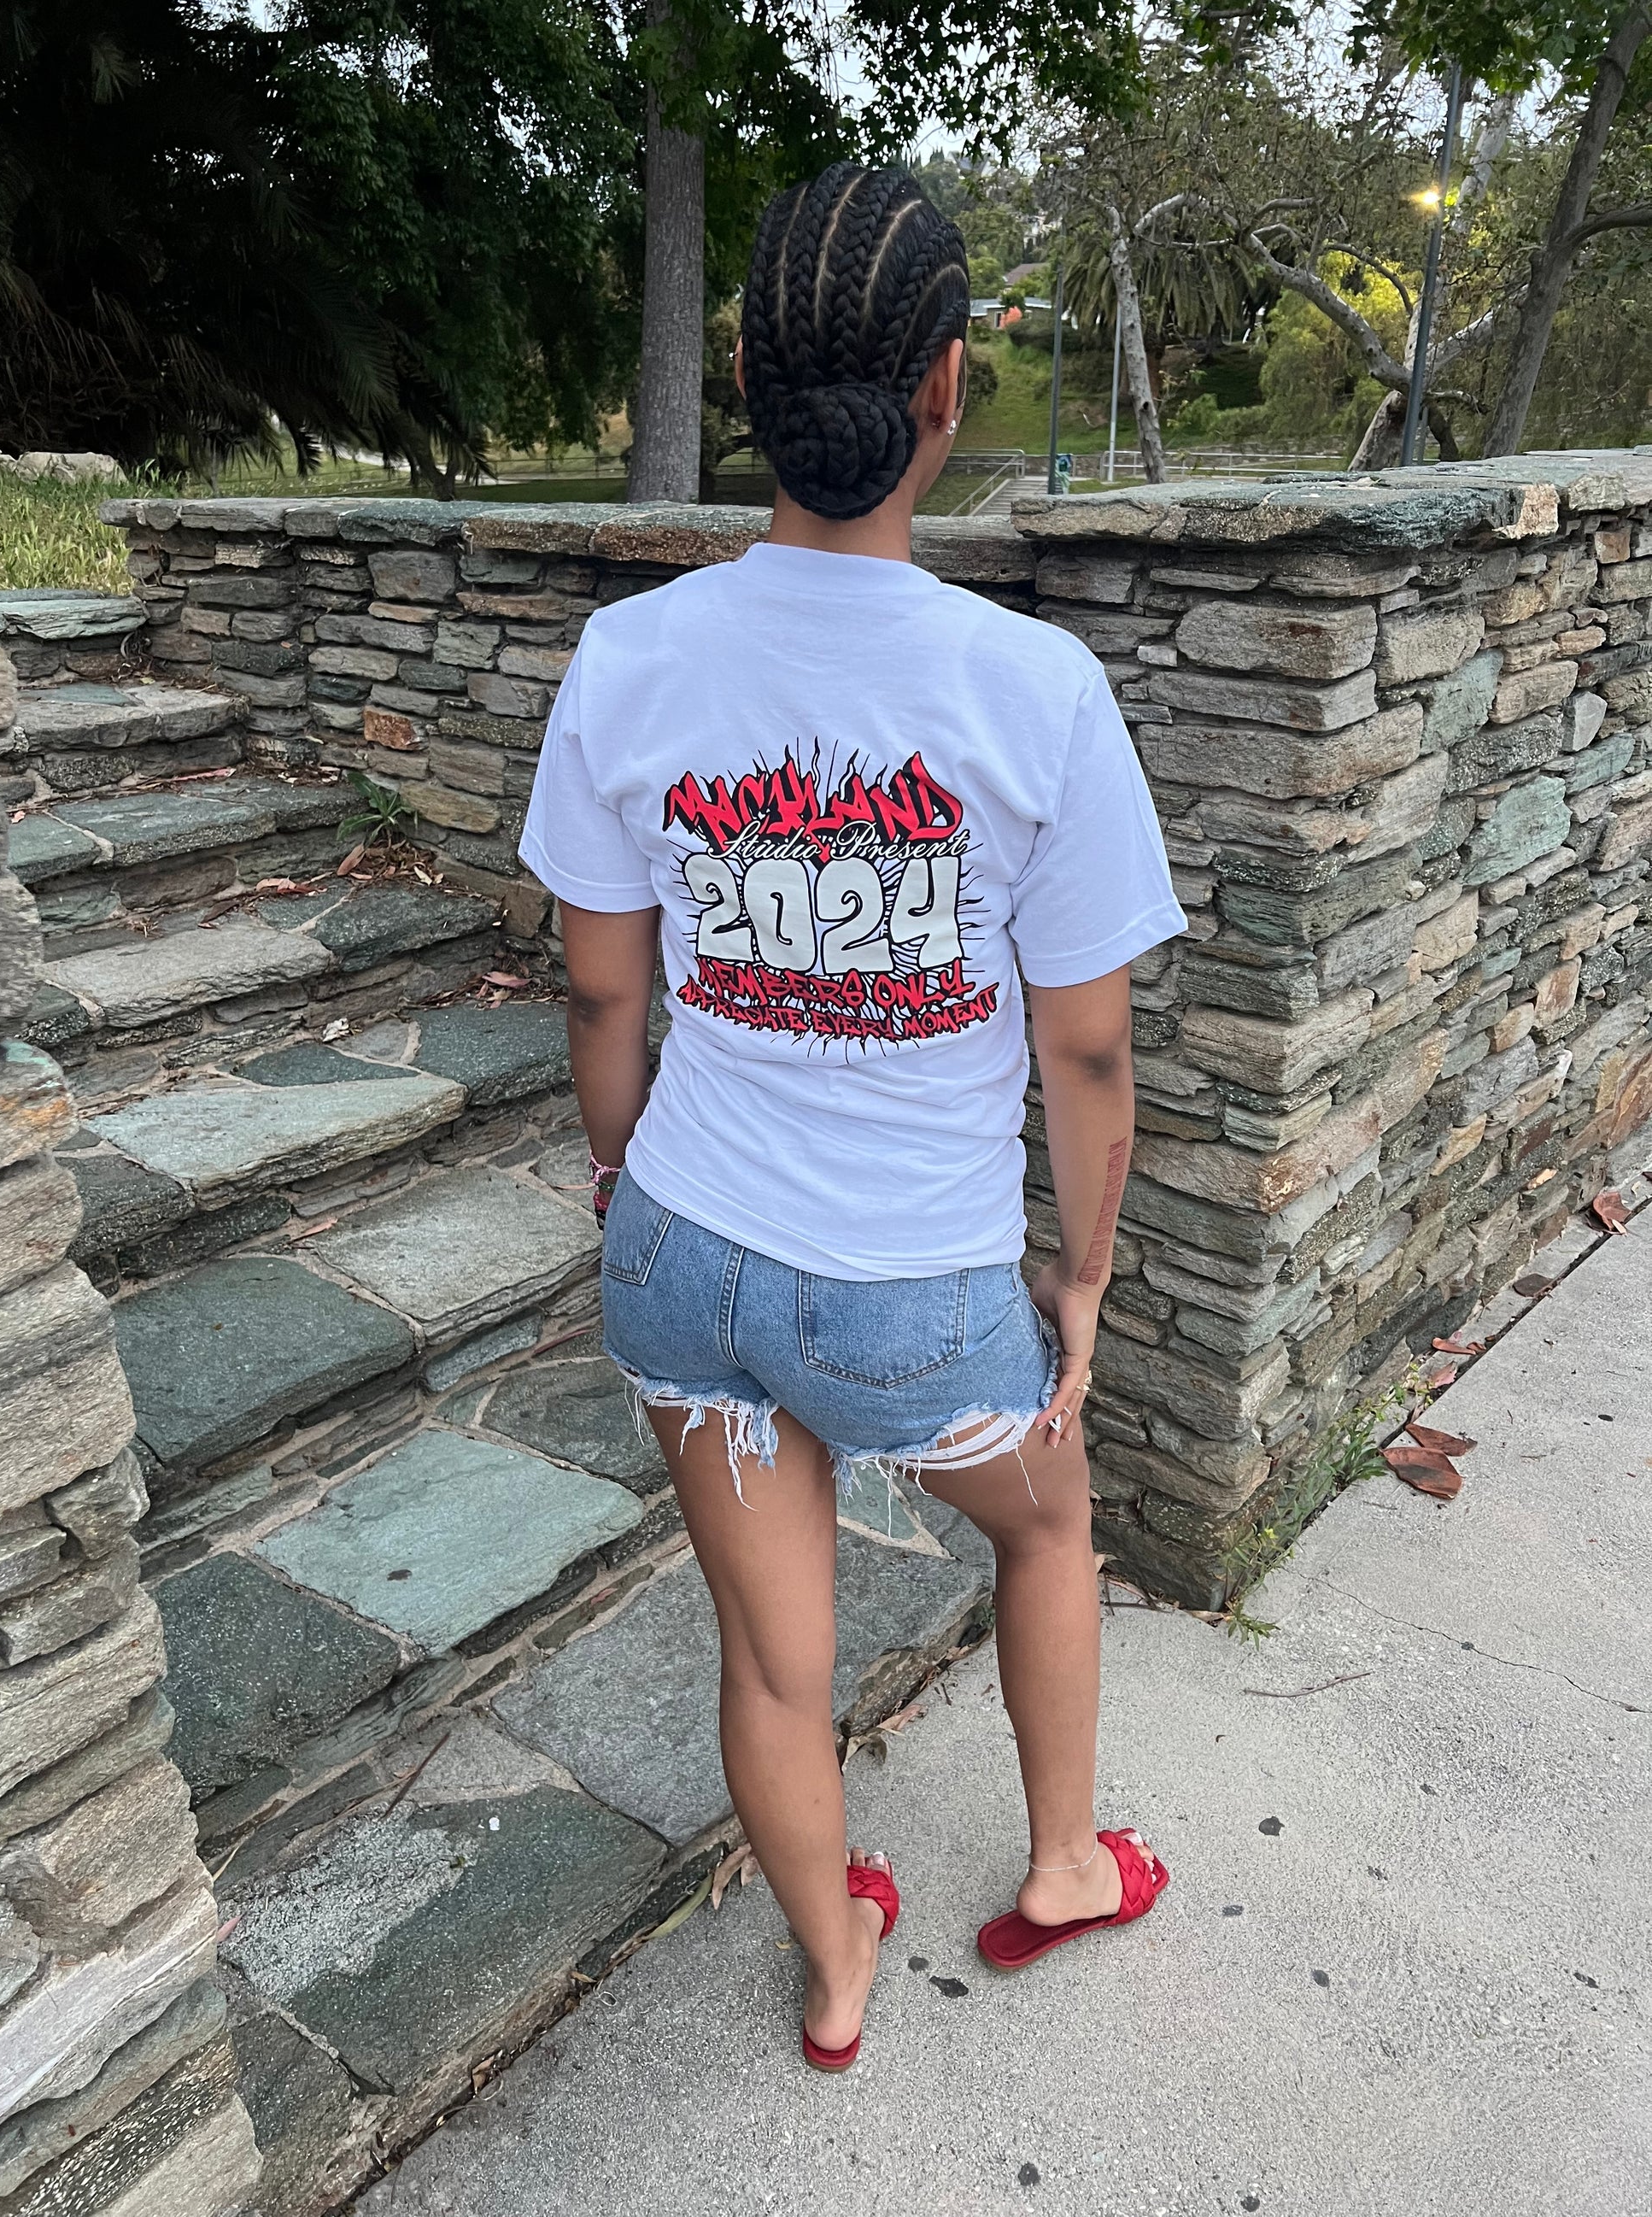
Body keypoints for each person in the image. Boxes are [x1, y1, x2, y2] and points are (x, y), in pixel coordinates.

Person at [519, 161, 1186, 2073]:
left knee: (769, 1653)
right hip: (915, 1298)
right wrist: (1084, 1283)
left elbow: (601, 996)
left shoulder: (631, 657)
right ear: (948, 384)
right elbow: (1084, 1057)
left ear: (745, 377)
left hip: (681, 1260)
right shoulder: (1034, 688)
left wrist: (621, 1176)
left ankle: (833, 1967)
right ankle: (1064, 1865)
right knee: (1046, 1534)